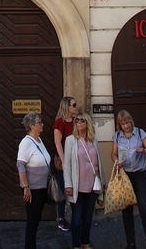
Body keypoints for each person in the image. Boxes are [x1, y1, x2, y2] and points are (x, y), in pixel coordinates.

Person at [111, 109, 146, 249]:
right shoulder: (118, 136)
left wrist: (142, 150)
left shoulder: (140, 133)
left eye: (128, 122)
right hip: (125, 176)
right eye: (123, 124)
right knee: (127, 210)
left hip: (139, 175)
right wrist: (117, 161)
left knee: (145, 209)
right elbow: (113, 154)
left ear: (131, 121)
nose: (126, 126)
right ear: (120, 125)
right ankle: (131, 243)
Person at [63, 111, 104, 249]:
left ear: (87, 123)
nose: (79, 123)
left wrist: (101, 187)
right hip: (77, 185)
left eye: (82, 120)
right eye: (77, 120)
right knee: (76, 218)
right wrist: (68, 184)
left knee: (87, 217)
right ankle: (75, 245)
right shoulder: (70, 140)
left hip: (92, 185)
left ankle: (85, 243)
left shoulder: (94, 139)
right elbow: (67, 164)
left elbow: (99, 163)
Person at [17, 112, 51, 249]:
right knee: (32, 221)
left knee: (36, 221)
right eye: (39, 123)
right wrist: (26, 187)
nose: (42, 125)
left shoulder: (39, 140)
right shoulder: (26, 142)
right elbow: (20, 164)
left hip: (42, 188)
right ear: (31, 126)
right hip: (33, 189)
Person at [53, 96, 79, 231]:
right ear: (66, 107)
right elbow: (58, 143)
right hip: (64, 161)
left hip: (75, 160)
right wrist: (64, 161)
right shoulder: (60, 122)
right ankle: (61, 218)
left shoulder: (76, 121)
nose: (76, 107)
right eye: (74, 105)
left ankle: (76, 216)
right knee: (63, 189)